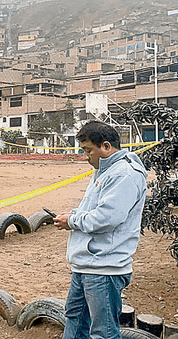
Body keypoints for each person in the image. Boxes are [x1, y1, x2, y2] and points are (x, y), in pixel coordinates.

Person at [53, 121, 147, 339]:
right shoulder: (104, 170)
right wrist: (73, 214)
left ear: (106, 146)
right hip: (86, 263)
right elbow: (93, 209)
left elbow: (106, 218)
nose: (86, 157)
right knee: (75, 318)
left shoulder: (125, 174)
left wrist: (73, 221)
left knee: (103, 332)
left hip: (104, 268)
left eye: (88, 151)